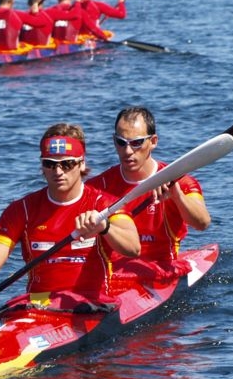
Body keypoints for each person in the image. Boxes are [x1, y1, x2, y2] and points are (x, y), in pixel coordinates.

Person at [0, 123, 141, 335]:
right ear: (42, 166)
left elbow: (133, 248)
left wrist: (104, 227)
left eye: (67, 164)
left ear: (81, 163)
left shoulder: (104, 204)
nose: (58, 172)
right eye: (50, 164)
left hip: (90, 305)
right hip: (38, 306)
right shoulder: (21, 210)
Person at [90, 106, 211, 272]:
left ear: (153, 141)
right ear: (114, 141)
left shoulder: (180, 181)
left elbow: (203, 223)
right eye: (121, 143)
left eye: (136, 143)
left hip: (161, 268)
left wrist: (177, 196)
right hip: (113, 272)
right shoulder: (97, 186)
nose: (127, 151)